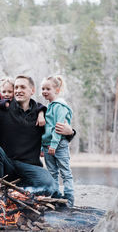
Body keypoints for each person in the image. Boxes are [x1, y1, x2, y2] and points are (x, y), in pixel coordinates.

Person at [0, 75, 75, 195]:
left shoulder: (41, 113)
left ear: (32, 90)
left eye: (23, 87)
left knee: (50, 186)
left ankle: (23, 192)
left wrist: (70, 132)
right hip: (7, 165)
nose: (18, 90)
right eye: (16, 87)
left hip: (30, 168)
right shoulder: (2, 109)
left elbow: (55, 132)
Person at [41, 75, 74, 207]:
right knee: (52, 172)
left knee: (65, 172)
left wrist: (54, 145)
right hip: (47, 146)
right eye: (42, 88)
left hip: (59, 144)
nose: (44, 91)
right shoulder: (48, 106)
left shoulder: (60, 106)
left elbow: (58, 127)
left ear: (57, 90)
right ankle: (55, 197)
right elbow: (44, 130)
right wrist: (42, 147)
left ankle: (69, 199)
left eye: (48, 88)